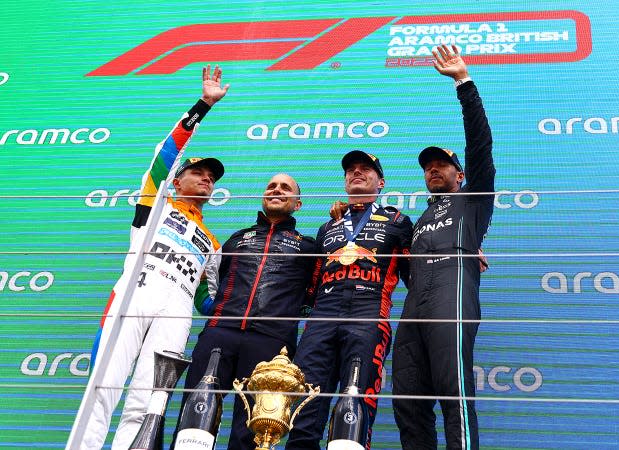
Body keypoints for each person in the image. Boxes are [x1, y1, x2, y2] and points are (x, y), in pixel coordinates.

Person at [79, 65, 230, 449]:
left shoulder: (212, 241)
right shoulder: (156, 202)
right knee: (103, 387)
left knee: (146, 404)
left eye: (212, 178)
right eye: (199, 172)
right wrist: (203, 105)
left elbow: (206, 299)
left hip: (178, 311)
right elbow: (165, 155)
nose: (207, 180)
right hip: (136, 295)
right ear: (177, 180)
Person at [392, 45, 495, 449]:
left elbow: (480, 147)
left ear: (461, 173)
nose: (432, 169)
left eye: (442, 164)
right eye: (427, 166)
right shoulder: (418, 221)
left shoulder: (473, 201)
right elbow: (388, 250)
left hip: (452, 296)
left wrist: (463, 83)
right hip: (415, 303)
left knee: (454, 391)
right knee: (407, 399)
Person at [170, 173, 316, 450]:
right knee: (195, 417)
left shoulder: (309, 247)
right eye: (271, 185)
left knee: (252, 429)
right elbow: (209, 279)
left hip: (272, 344)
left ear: (297, 203)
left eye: (285, 188)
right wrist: (214, 311)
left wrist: (287, 317)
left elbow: (315, 293)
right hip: (220, 334)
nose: (277, 190)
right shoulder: (237, 239)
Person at [285, 151, 413, 450]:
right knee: (304, 408)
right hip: (322, 318)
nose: (357, 172)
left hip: (368, 314)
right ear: (344, 182)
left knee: (356, 405)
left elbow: (417, 273)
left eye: (366, 169)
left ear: (380, 182)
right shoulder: (328, 226)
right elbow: (311, 283)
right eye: (351, 170)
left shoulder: (398, 220)